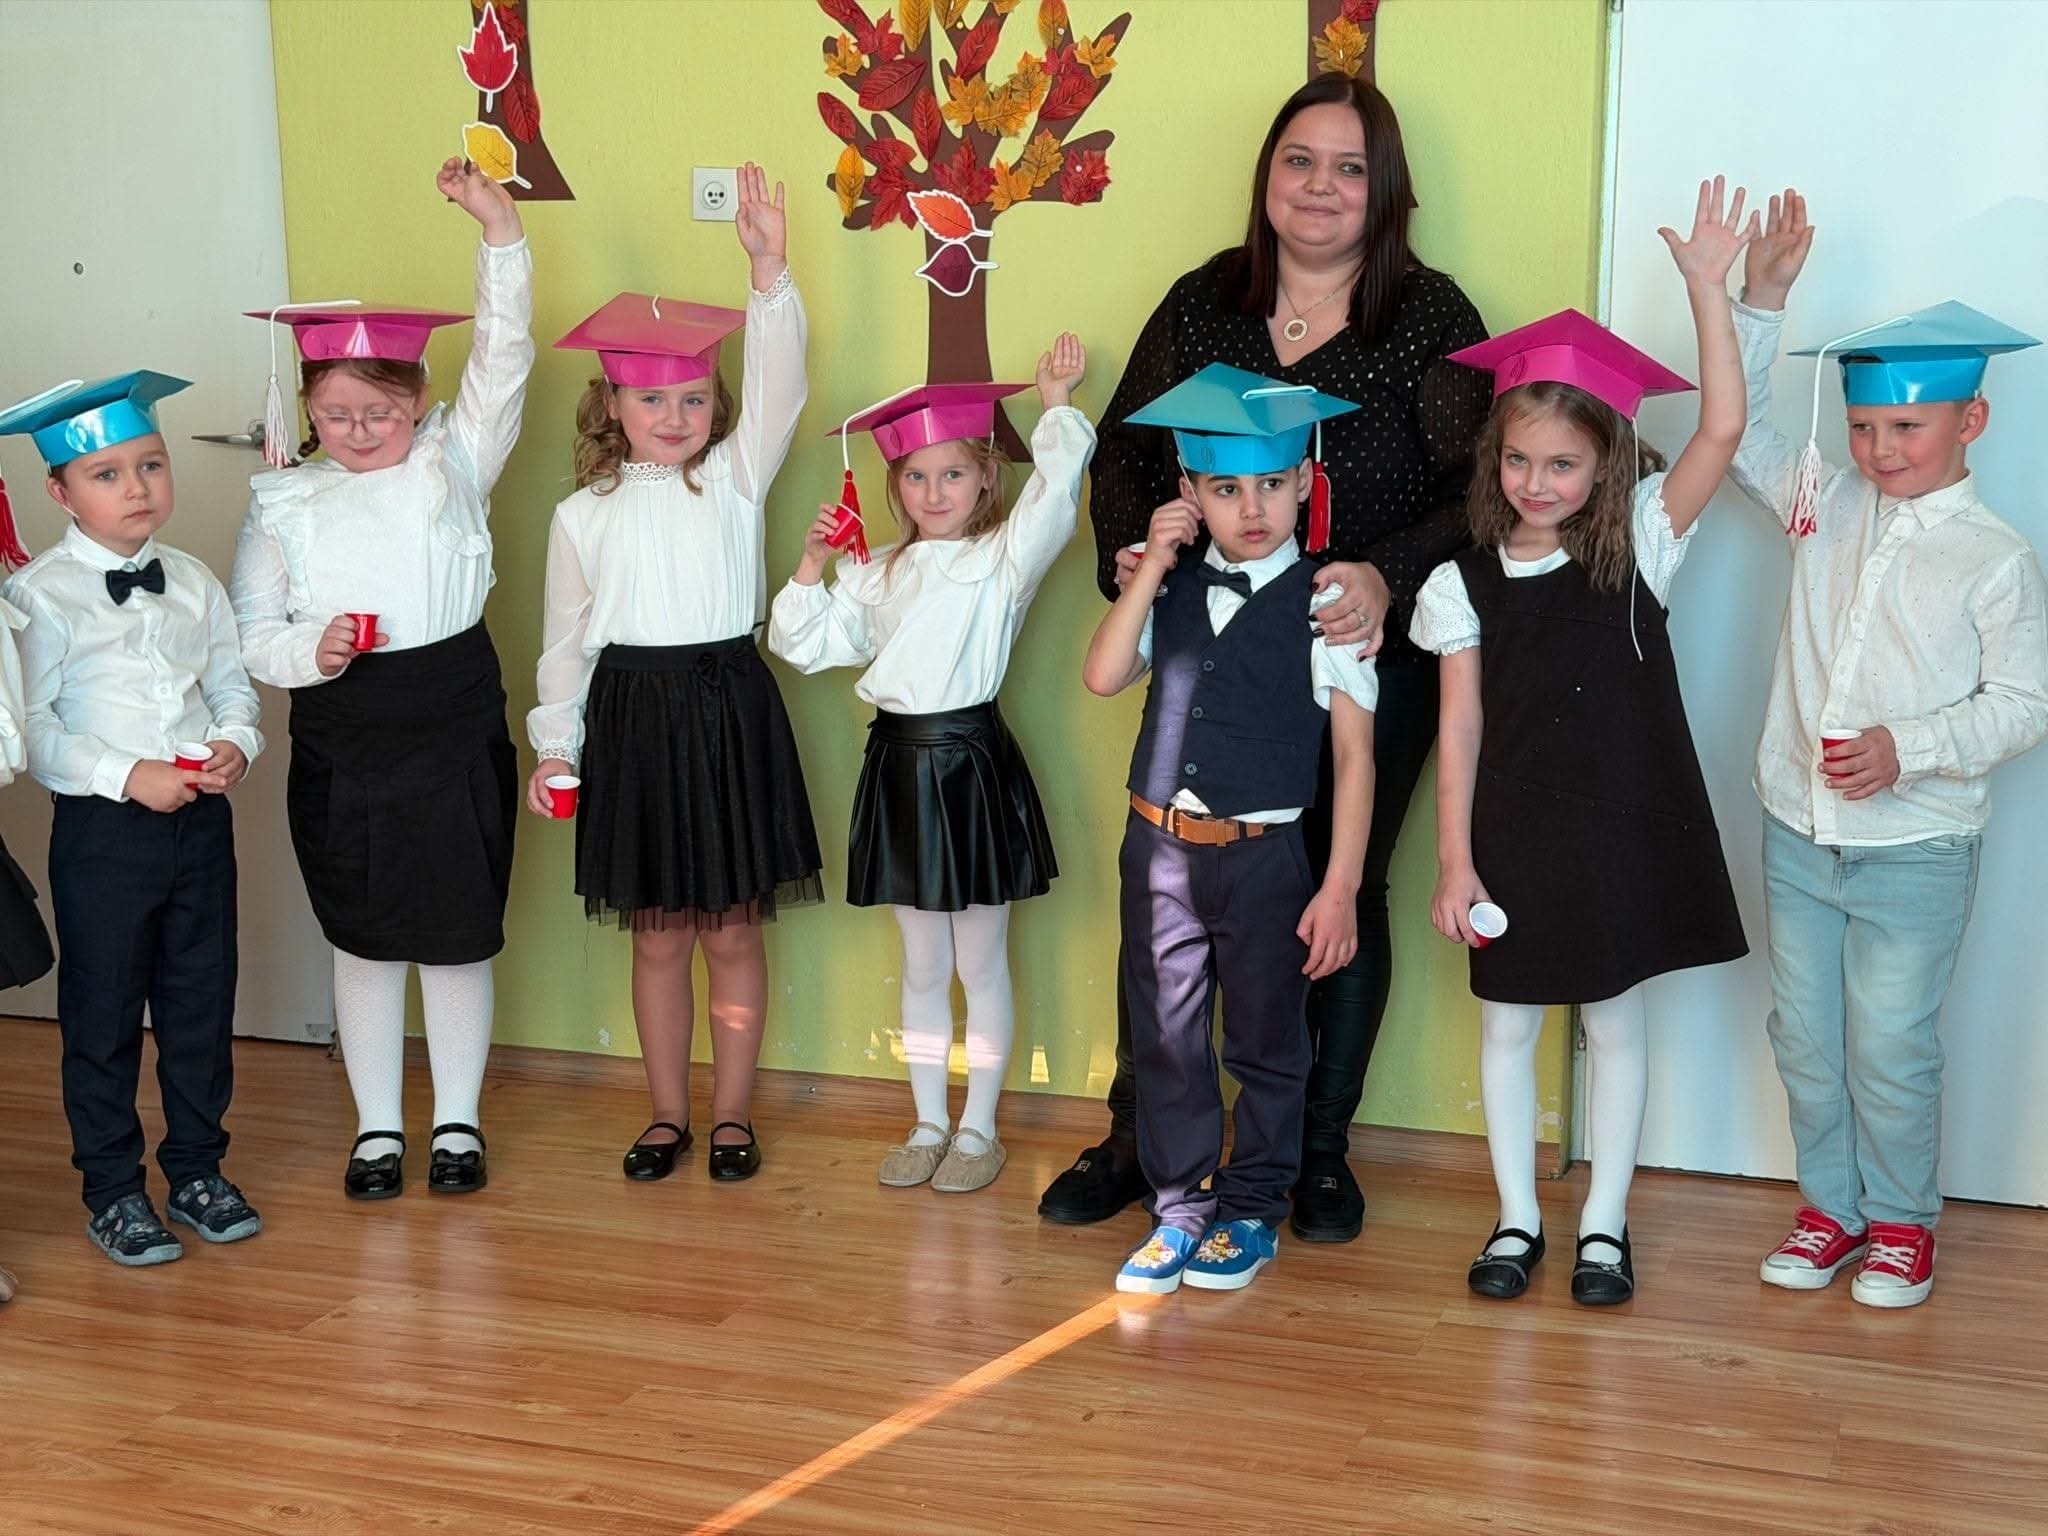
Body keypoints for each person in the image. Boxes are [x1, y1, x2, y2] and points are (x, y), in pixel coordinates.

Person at [1050, 72, 1490, 1241]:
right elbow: (1124, 452)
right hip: (1212, 649)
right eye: (1300, 160)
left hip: (1356, 652)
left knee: (1339, 892)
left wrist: (1382, 573)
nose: (1320, 187)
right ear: (1266, 176)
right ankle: (1139, 1140)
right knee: (1171, 891)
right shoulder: (1206, 302)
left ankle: (1312, 1157)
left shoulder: (1427, 317)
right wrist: (1137, 563)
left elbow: (1481, 487)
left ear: (1382, 192)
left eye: (1349, 168)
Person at [1413, 179, 1757, 1305]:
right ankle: (1516, 1219)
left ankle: (1603, 1224)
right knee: (1509, 1029)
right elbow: (1459, 725)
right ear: (1494, 460)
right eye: (1518, 462)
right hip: (1509, 837)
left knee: (1613, 1027)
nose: (1537, 482)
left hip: (1616, 831)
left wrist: (1706, 289)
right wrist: (1454, 861)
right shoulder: (1459, 584)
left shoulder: (1641, 546)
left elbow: (1720, 429)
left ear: (1604, 463)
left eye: (1561, 464)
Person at [1730, 192, 2048, 1309]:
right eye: (1863, 428)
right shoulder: (1821, 503)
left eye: (1905, 430)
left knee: (1889, 1047)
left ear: (1971, 420)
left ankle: (1903, 1224)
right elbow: (1739, 433)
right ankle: (1832, 1210)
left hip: (1915, 846)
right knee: (1805, 1038)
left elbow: (2024, 704)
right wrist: (1761, 298)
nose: (1878, 449)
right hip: (1797, 829)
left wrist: (1902, 747)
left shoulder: (1994, 558)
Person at [230, 158, 532, 1200]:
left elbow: (504, 355)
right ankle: (375, 1130)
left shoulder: (454, 466)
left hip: (452, 715)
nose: (359, 432)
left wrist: (499, 232)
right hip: (344, 729)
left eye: (380, 412)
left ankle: (457, 1123)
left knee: (454, 934)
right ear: (307, 409)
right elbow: (252, 631)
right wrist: (306, 655)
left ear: (420, 403)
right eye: (337, 413)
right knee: (363, 938)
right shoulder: (282, 500)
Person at [530, 165, 819, 1183]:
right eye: (652, 398)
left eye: (694, 397)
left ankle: (732, 1114)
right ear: (612, 403)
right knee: (656, 938)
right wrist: (555, 747)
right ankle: (666, 1113)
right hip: (632, 719)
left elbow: (782, 387)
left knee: (732, 932)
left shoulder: (735, 479)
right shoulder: (580, 517)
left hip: (727, 706)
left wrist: (768, 269)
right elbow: (565, 643)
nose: (675, 413)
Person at [769, 336, 1093, 1195]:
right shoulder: (874, 573)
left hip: (970, 767)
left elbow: (1056, 500)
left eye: (953, 474)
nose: (934, 492)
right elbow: (803, 646)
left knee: (979, 961)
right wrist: (812, 565)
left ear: (986, 478)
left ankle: (978, 1130)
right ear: (894, 485)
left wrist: (1057, 403)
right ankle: (926, 1123)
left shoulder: (1003, 561)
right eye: (915, 476)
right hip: (898, 766)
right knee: (920, 963)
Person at [1088, 363, 1375, 1294]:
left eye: (1271, 485)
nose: (1251, 509)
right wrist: (1150, 565)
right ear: (1189, 493)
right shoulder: (1164, 585)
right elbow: (1102, 676)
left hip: (1265, 860)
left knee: (1266, 1043)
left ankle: (1251, 1207)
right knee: (1167, 1037)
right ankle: (1178, 1208)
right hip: (1158, 849)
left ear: (1304, 483)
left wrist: (1338, 889)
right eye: (1224, 489)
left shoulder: (1328, 605)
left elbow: (1355, 760)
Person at [1, 371, 261, 1267]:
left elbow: (229, 684)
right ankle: (113, 1187)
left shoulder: (192, 580)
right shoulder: (38, 596)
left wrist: (235, 742)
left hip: (202, 826)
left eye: (151, 464)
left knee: (201, 1002)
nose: (137, 487)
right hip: (103, 836)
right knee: (103, 1012)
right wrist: (127, 775)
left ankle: (197, 1168)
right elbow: (34, 730)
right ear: (60, 492)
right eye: (107, 474)